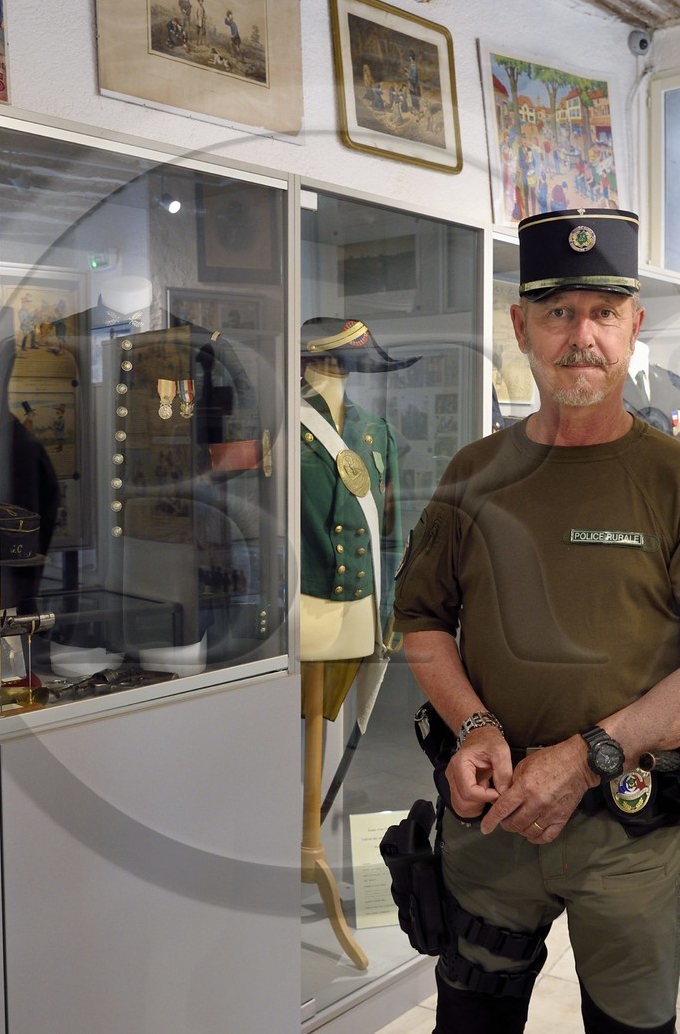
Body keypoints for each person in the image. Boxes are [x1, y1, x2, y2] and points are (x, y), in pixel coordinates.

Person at [393, 208, 680, 1033]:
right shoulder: (474, 473)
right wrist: (475, 725)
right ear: (520, 325)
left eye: (603, 312)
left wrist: (588, 754)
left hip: (626, 838)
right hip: (490, 828)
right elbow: (421, 621)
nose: (581, 336)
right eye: (558, 312)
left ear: (634, 325)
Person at [298, 316, 416, 969]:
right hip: (305, 612)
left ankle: (312, 841)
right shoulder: (285, 431)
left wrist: (390, 607)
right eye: (333, 364)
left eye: (346, 367)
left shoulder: (376, 432)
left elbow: (390, 528)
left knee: (332, 727)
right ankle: (299, 839)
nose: (339, 376)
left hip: (358, 614)